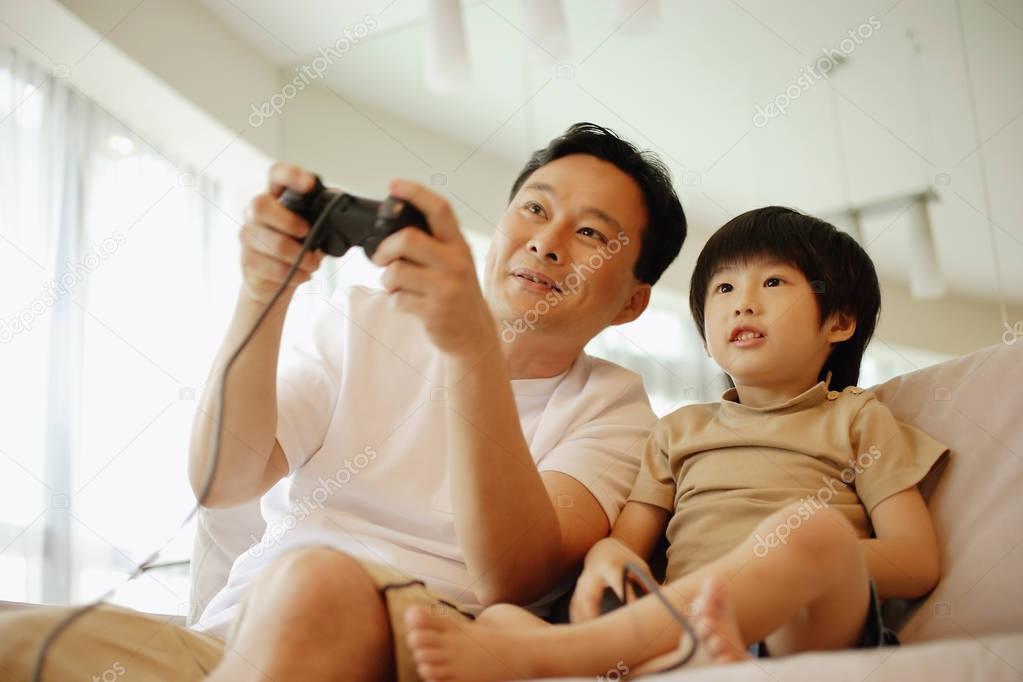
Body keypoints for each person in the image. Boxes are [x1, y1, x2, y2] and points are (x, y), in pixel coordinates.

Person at [0, 122, 687, 681]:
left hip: (415, 642)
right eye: (534, 208)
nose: (546, 241)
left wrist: (471, 350)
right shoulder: (366, 318)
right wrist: (262, 291)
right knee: (20, 638)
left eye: (591, 234)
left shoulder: (614, 408)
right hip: (232, 639)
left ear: (631, 302)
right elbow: (223, 480)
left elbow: (513, 573)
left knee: (317, 583)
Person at [402, 206, 949, 681]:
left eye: (774, 284)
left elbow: (916, 558)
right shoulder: (678, 430)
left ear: (840, 321)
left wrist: (768, 562)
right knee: (500, 619)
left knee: (812, 531)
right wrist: (605, 562)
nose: (743, 304)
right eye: (724, 288)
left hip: (805, 629)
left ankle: (564, 654)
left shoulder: (857, 418)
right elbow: (627, 542)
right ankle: (624, 652)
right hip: (682, 629)